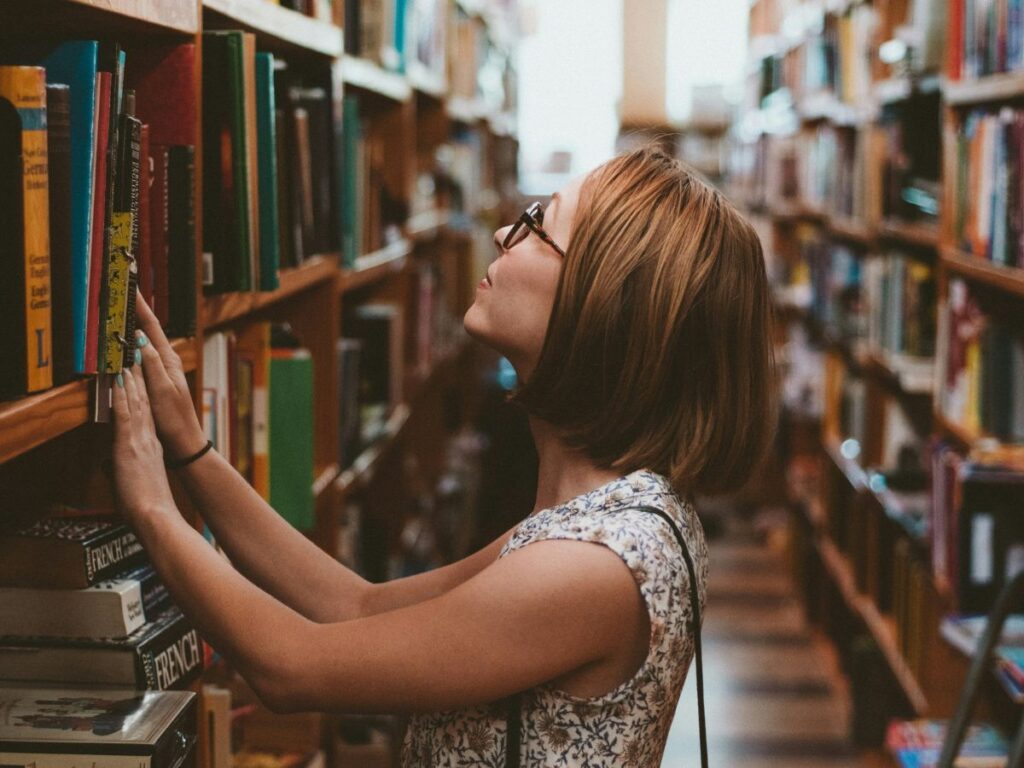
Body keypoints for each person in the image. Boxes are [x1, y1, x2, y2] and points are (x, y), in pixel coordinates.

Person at [111, 145, 776, 767]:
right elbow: (358, 608)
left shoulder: (591, 565)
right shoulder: (602, 518)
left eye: (537, 225)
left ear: (602, 304)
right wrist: (193, 454)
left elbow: (289, 665)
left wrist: (150, 506)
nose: (501, 235)